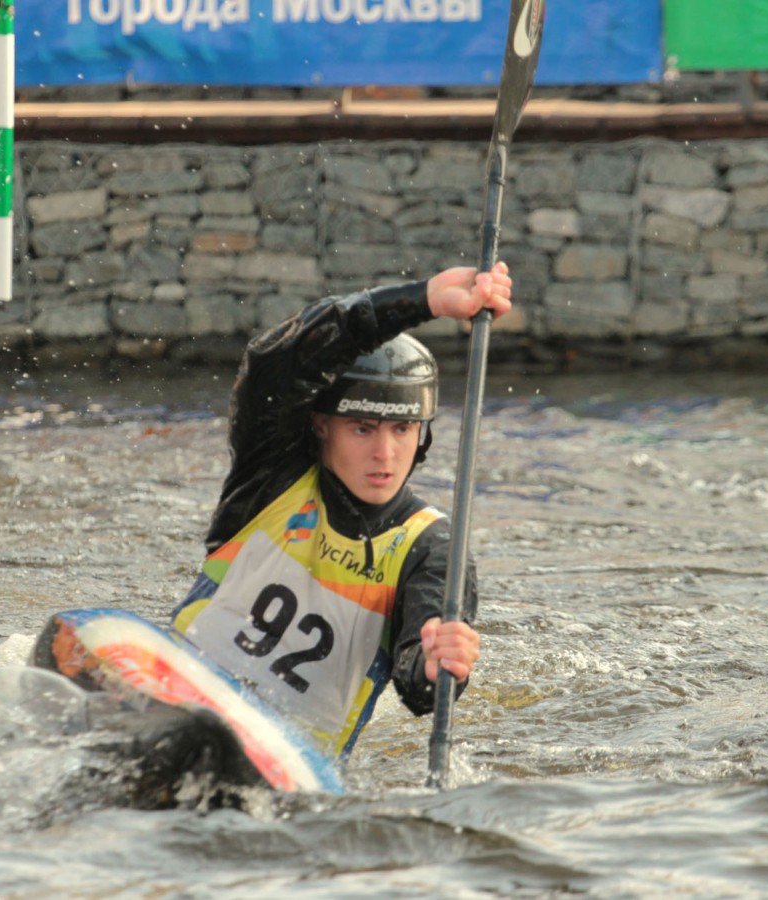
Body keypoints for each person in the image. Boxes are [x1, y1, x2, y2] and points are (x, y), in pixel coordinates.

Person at [169, 262, 513, 760]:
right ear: (321, 426)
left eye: (401, 430)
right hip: (180, 696)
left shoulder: (434, 547)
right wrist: (422, 301)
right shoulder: (271, 475)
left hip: (291, 758)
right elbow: (273, 361)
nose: (384, 454)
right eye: (362, 428)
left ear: (422, 437)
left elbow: (416, 689)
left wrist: (438, 666)